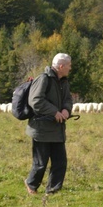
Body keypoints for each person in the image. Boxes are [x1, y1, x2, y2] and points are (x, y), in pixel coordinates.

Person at [24, 53, 73, 195]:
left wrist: (66, 110)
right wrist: (54, 112)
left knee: (60, 162)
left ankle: (53, 191)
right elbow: (35, 101)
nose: (70, 68)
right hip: (41, 129)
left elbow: (68, 99)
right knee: (40, 163)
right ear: (61, 66)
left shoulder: (64, 82)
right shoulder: (43, 79)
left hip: (57, 129)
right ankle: (31, 185)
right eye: (69, 65)